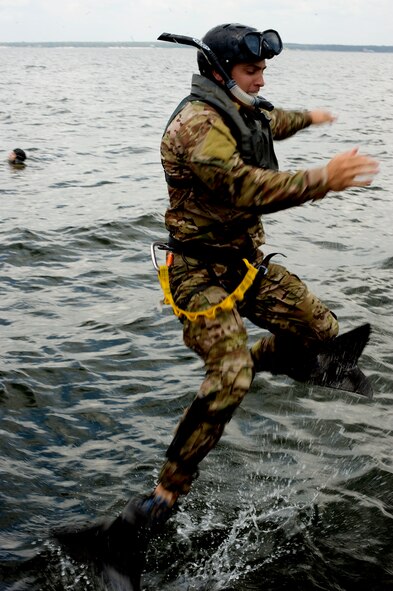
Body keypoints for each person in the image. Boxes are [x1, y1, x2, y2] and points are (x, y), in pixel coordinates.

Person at [54, 24, 379, 583]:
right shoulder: (196, 126)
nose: (262, 76)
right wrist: (324, 178)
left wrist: (311, 117)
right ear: (219, 71)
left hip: (243, 265)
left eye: (263, 69)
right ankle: (143, 517)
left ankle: (282, 362)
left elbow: (269, 120)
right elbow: (247, 189)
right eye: (252, 69)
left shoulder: (237, 104)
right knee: (230, 376)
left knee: (324, 333)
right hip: (197, 272)